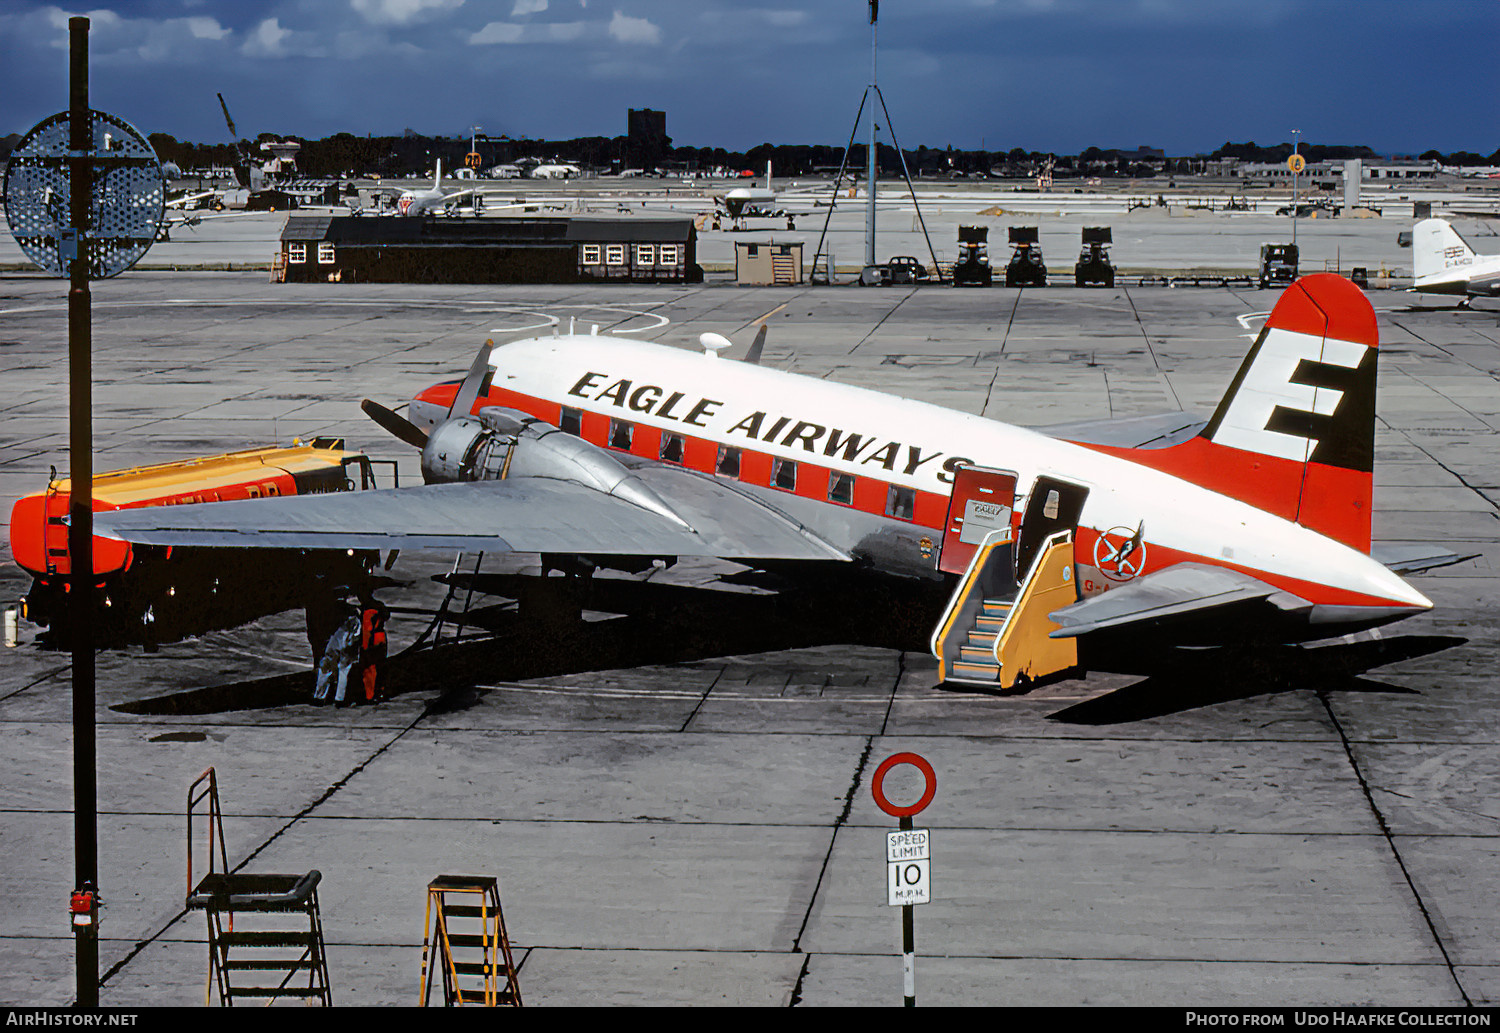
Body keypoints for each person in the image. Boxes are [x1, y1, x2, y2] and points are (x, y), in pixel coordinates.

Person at [358, 594, 389, 704]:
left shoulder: (368, 610)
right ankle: (381, 691)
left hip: (372, 639)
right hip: (381, 637)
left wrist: (365, 647)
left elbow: (367, 629)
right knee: (380, 665)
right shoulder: (379, 605)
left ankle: (370, 696)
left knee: (369, 668)